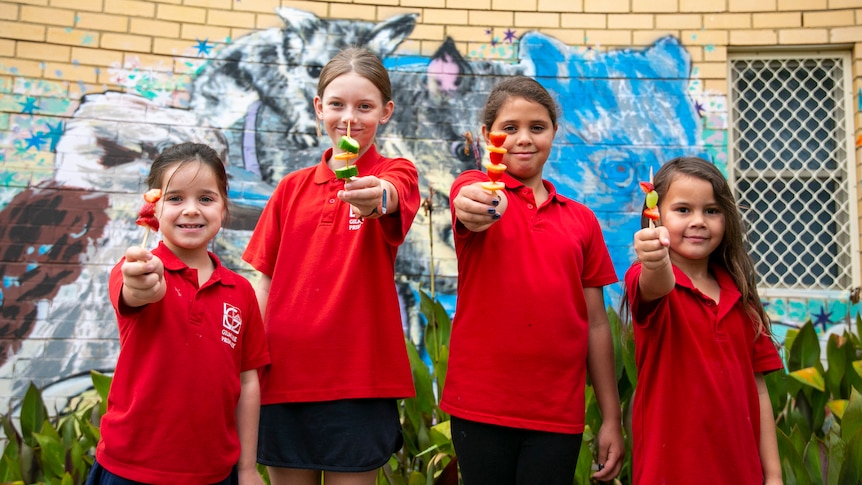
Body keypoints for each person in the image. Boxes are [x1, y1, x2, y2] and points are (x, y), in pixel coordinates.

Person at [242, 47, 420, 485]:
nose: (350, 118)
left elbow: (392, 192)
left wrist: (375, 193)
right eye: (337, 104)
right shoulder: (291, 187)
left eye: (365, 107)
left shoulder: (394, 171)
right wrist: (248, 361)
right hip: (284, 377)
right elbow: (263, 280)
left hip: (360, 378)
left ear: (386, 112)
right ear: (319, 107)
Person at [440, 76, 624, 484]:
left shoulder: (582, 220)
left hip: (557, 412)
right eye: (510, 128)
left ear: (554, 133)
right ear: (488, 136)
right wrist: (484, 202)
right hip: (481, 405)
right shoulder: (476, 189)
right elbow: (470, 202)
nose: (523, 139)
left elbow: (596, 323)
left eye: (537, 128)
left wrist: (611, 417)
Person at [87, 142, 271, 485]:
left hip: (215, 472)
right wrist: (141, 282)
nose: (191, 210)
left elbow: (248, 382)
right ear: (152, 208)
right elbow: (134, 289)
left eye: (205, 198)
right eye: (175, 198)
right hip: (131, 468)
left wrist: (246, 468)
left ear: (223, 207)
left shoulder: (241, 292)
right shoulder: (137, 268)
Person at [624, 156, 783, 484]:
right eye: (683, 210)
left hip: (741, 472)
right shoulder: (647, 279)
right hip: (669, 471)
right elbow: (657, 283)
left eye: (711, 211)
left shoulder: (742, 297)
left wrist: (774, 475)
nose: (699, 221)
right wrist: (654, 260)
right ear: (655, 215)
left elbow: (760, 390)